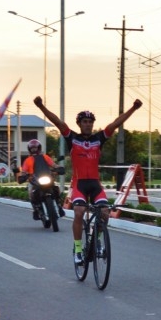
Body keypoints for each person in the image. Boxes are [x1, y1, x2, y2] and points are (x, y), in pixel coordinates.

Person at [33, 95, 143, 263]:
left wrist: (133, 108)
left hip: (94, 184)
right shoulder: (72, 138)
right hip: (79, 184)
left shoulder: (99, 138)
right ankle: (78, 249)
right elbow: (57, 121)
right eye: (84, 121)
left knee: (105, 213)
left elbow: (116, 123)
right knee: (79, 212)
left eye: (90, 122)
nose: (88, 124)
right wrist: (41, 106)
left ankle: (98, 241)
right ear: (79, 124)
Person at [12, 139, 65, 221]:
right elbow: (24, 171)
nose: (34, 150)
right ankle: (36, 210)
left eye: (35, 148)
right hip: (33, 180)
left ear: (39, 148)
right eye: (32, 148)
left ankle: (59, 206)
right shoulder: (27, 160)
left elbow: (53, 164)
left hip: (46, 176)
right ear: (29, 150)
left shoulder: (45, 157)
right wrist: (23, 176)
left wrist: (58, 168)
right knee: (31, 193)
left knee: (56, 188)